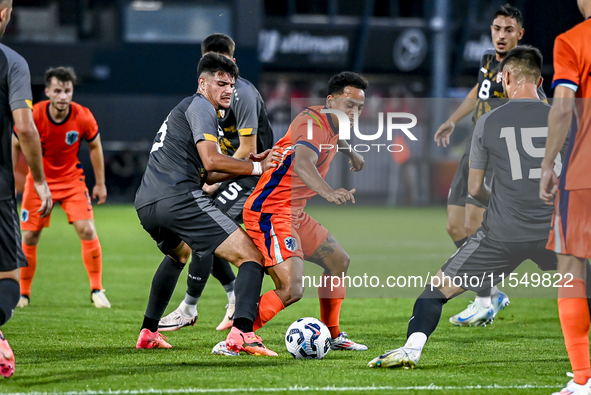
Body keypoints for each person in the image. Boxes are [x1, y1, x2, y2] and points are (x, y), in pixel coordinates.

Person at [369, 46, 567, 369]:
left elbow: (475, 189)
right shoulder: (565, 118)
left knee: (435, 291)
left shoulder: (487, 122)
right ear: (540, 80)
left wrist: (505, 201)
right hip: (555, 230)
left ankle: (412, 349)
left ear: (505, 78)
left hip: (503, 235)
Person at [213, 71, 368, 356]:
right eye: (350, 105)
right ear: (331, 101)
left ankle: (332, 334)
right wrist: (328, 192)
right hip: (269, 211)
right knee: (291, 288)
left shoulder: (333, 120)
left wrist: (350, 153)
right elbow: (303, 164)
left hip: (293, 213)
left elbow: (335, 137)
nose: (355, 112)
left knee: (338, 262)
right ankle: (238, 336)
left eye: (359, 106)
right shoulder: (311, 124)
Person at [134, 52, 279, 356]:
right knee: (252, 256)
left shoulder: (185, 108)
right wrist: (257, 169)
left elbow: (210, 170)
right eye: (221, 83)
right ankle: (242, 333)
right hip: (178, 198)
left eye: (231, 85)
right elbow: (211, 160)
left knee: (179, 254)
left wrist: (249, 162)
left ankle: (149, 331)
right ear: (202, 83)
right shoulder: (201, 105)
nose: (228, 90)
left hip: (147, 203)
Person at [433, 4, 545, 326]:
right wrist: (453, 120)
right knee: (454, 225)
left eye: (509, 30)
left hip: (498, 155)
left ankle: (484, 299)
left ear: (520, 34)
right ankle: (491, 291)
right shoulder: (487, 61)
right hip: (473, 149)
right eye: (497, 28)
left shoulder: (523, 73)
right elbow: (478, 91)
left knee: (473, 226)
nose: (501, 35)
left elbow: (541, 111)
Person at [12, 67, 110, 309]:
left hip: (71, 180)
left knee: (87, 229)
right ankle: (23, 294)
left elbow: (95, 147)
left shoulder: (83, 115)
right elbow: (14, 144)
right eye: (57, 90)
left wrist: (99, 183)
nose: (63, 96)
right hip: (38, 181)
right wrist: (10, 177)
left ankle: (97, 289)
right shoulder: (34, 114)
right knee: (30, 236)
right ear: (47, 92)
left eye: (68, 90)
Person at [539, 1, 591, 393]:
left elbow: (561, 108)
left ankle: (583, 379)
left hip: (584, 172)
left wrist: (546, 164)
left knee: (571, 267)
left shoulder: (573, 40)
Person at [0, 0, 52, 378]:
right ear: (5, 13)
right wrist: (39, 179)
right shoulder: (11, 62)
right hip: (1, 189)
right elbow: (26, 127)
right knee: (9, 282)